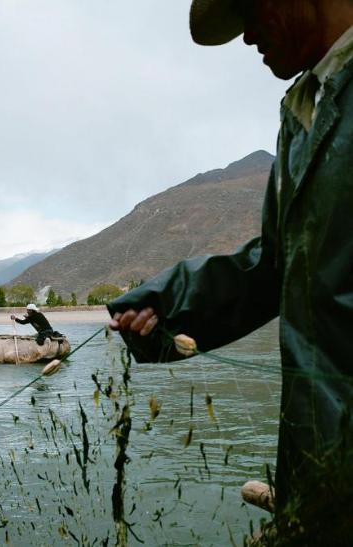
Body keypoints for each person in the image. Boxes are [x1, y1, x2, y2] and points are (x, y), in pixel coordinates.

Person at [108, 0, 353, 542]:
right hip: (322, 473)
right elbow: (273, 266)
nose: (247, 37)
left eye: (252, 9)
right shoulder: (302, 113)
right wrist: (166, 305)